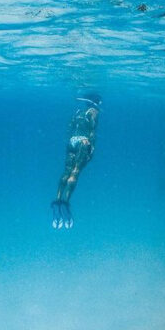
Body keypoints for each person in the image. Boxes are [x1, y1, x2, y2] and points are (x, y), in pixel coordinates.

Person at [51, 93, 102, 229]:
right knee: (75, 172)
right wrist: (91, 146)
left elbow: (69, 128)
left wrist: (72, 140)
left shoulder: (78, 112)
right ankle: (66, 203)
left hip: (72, 141)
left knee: (66, 171)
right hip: (83, 142)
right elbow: (92, 130)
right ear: (95, 102)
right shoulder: (94, 112)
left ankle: (57, 200)